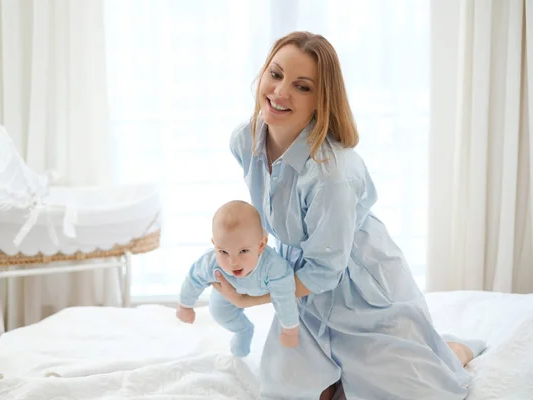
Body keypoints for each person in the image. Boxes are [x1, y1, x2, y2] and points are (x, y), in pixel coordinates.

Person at [211, 31, 486, 400]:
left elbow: (327, 270)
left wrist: (251, 298)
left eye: (302, 86)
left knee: (419, 392)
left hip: (359, 287)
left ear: (320, 100)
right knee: (287, 391)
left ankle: (452, 351)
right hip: (304, 280)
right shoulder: (245, 140)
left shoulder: (331, 175)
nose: (280, 92)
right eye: (275, 75)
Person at [176, 200, 300, 357]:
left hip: (259, 288)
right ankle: (243, 330)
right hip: (227, 290)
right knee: (217, 311)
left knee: (284, 298)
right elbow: (194, 279)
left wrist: (290, 330)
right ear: (214, 245)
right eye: (223, 252)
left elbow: (285, 298)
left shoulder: (275, 268)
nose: (233, 262)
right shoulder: (211, 262)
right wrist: (185, 305)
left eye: (243, 251)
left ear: (261, 245)